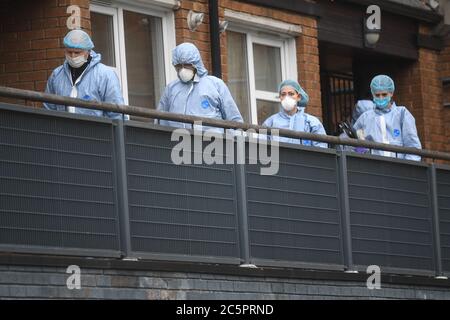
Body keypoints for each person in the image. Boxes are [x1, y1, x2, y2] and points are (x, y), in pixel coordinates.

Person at [157, 42, 243, 131]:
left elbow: (234, 119)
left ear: (196, 63)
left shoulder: (215, 84)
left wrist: (237, 142)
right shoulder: (171, 89)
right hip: (178, 142)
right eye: (179, 66)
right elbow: (160, 120)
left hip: (213, 142)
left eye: (187, 65)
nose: (183, 69)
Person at [44, 29, 125, 119]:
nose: (73, 56)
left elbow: (117, 114)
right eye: (69, 52)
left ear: (88, 52)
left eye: (77, 52)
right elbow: (48, 110)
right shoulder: (57, 75)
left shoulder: (105, 75)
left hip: (96, 131)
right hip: (63, 131)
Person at [352, 75, 422, 161]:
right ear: (373, 94)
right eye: (377, 95)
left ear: (391, 93)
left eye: (384, 94)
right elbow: (352, 141)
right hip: (373, 169)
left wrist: (409, 170)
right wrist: (358, 148)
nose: (381, 98)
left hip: (399, 168)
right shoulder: (365, 118)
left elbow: (412, 146)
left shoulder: (402, 114)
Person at [262, 79, 327, 148]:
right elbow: (262, 147)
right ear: (280, 97)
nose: (287, 97)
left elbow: (321, 148)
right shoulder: (270, 122)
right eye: (283, 94)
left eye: (291, 94)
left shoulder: (312, 122)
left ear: (298, 97)